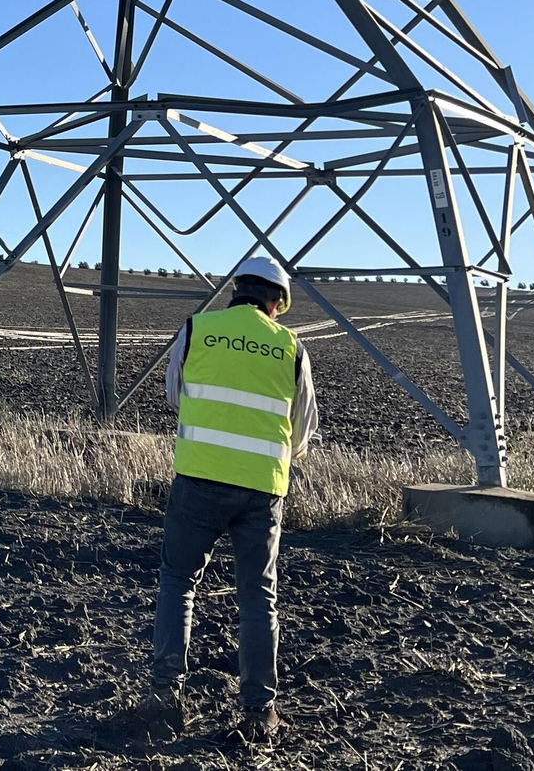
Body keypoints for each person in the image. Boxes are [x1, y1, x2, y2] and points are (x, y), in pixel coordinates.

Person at [137, 256, 318, 745]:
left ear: (236, 291)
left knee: (179, 580)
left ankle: (164, 694)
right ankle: (260, 711)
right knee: (259, 597)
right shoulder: (291, 347)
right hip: (263, 489)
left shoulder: (197, 329)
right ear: (278, 302)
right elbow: (303, 430)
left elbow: (175, 395)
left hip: (197, 479)